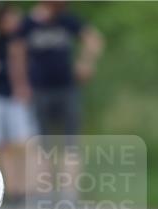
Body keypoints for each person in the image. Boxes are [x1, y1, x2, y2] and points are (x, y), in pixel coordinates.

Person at [11, 0, 103, 140]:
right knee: (41, 132)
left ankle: (70, 153)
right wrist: (20, 84)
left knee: (72, 129)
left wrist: (85, 63)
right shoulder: (27, 24)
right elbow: (17, 55)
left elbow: (94, 39)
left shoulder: (66, 20)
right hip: (39, 87)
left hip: (67, 85)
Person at [0, 4, 36, 202]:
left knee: (22, 142)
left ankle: (27, 185)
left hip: (16, 99)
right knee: (1, 144)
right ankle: (11, 188)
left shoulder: (22, 40)